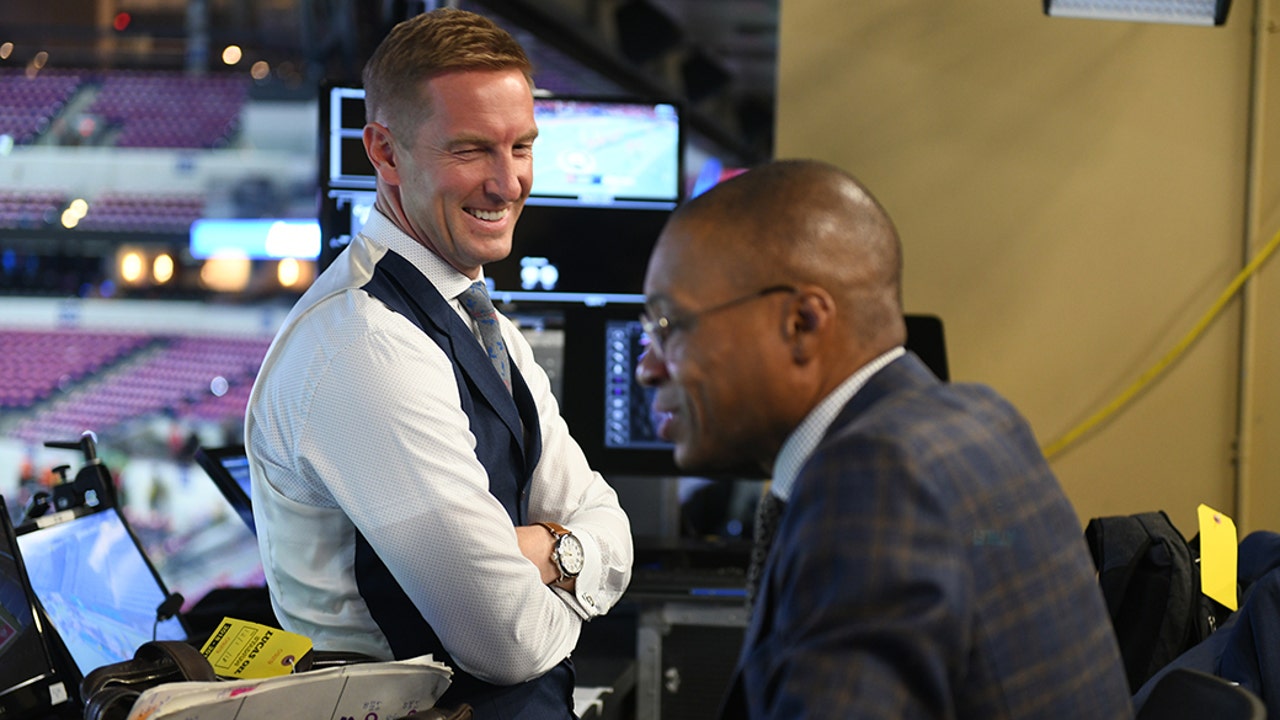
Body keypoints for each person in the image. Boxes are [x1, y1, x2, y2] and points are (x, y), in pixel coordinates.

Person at [635, 159, 1134, 718]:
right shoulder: (982, 418)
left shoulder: (870, 480)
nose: (647, 368)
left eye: (669, 325)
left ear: (802, 324)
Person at [243, 9, 632, 718]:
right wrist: (571, 557)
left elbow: (612, 525)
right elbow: (508, 640)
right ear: (385, 153)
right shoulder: (364, 345)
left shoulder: (480, 318)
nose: (508, 183)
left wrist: (544, 555)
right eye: (472, 150)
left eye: (521, 146)